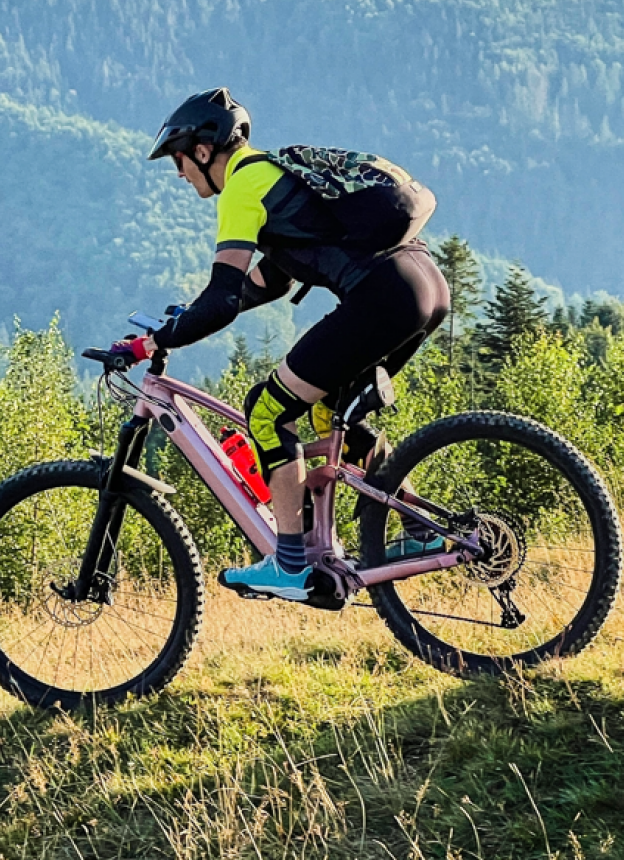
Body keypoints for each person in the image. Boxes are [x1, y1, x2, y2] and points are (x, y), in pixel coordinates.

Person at [120, 87, 451, 601]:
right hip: (424, 287)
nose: (179, 174)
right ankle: (419, 527)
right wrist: (185, 317)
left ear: (204, 151)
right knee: (329, 416)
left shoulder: (241, 188)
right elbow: (268, 281)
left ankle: (291, 564)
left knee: (267, 410)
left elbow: (223, 298)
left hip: (383, 297)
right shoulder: (275, 178)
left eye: (179, 160)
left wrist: (152, 344)